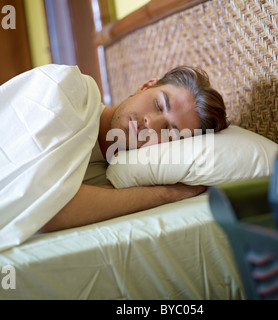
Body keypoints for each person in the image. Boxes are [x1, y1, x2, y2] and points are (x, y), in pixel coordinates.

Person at [40, 66, 229, 232]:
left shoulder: (113, 181)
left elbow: (50, 210)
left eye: (168, 131)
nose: (151, 122)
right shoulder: (68, 90)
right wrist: (167, 194)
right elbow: (45, 207)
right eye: (159, 104)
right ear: (146, 86)